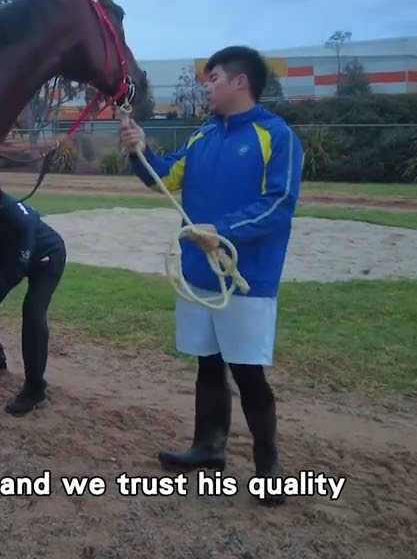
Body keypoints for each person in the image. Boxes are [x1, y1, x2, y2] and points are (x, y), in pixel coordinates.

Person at [119, 45, 303, 507]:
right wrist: (139, 148)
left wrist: (222, 233)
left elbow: (279, 204)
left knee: (248, 372)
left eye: (213, 77)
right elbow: (163, 174)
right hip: (198, 275)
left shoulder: (275, 137)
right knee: (207, 363)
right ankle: (209, 448)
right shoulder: (203, 137)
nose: (207, 84)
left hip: (246, 278)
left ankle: (268, 468)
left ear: (240, 82)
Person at [0, 177, 67, 416]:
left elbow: (18, 266)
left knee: (32, 313)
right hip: (9, 257)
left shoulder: (13, 213)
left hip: (45, 257)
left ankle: (35, 390)